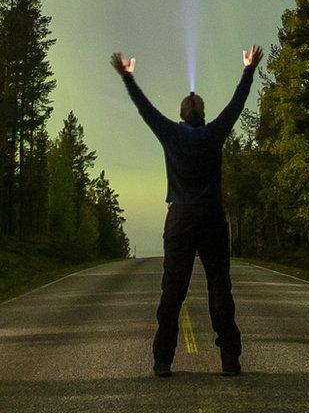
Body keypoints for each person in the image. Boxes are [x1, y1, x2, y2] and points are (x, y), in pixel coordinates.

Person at [110, 44, 263, 378]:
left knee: (173, 290)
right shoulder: (215, 132)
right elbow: (237, 104)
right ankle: (230, 359)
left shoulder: (170, 134)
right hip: (211, 217)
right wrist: (248, 69)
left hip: (180, 218)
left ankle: (163, 360)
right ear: (203, 114)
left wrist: (128, 78)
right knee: (219, 286)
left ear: (181, 115)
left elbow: (144, 109)